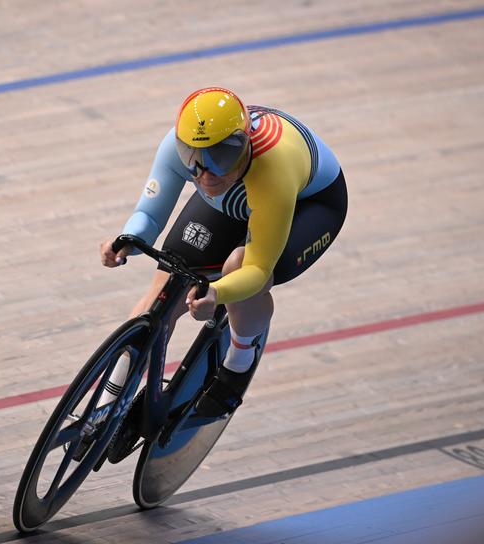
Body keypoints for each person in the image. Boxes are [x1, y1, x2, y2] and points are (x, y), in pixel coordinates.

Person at [98, 87, 348, 417]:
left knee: (238, 266)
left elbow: (256, 271)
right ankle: (105, 405)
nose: (205, 174)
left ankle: (239, 363)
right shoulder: (184, 149)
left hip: (309, 205)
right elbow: (149, 215)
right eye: (194, 159)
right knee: (160, 295)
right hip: (237, 198)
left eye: (221, 158)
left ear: (244, 145)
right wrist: (126, 239)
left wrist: (216, 293)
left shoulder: (273, 169)